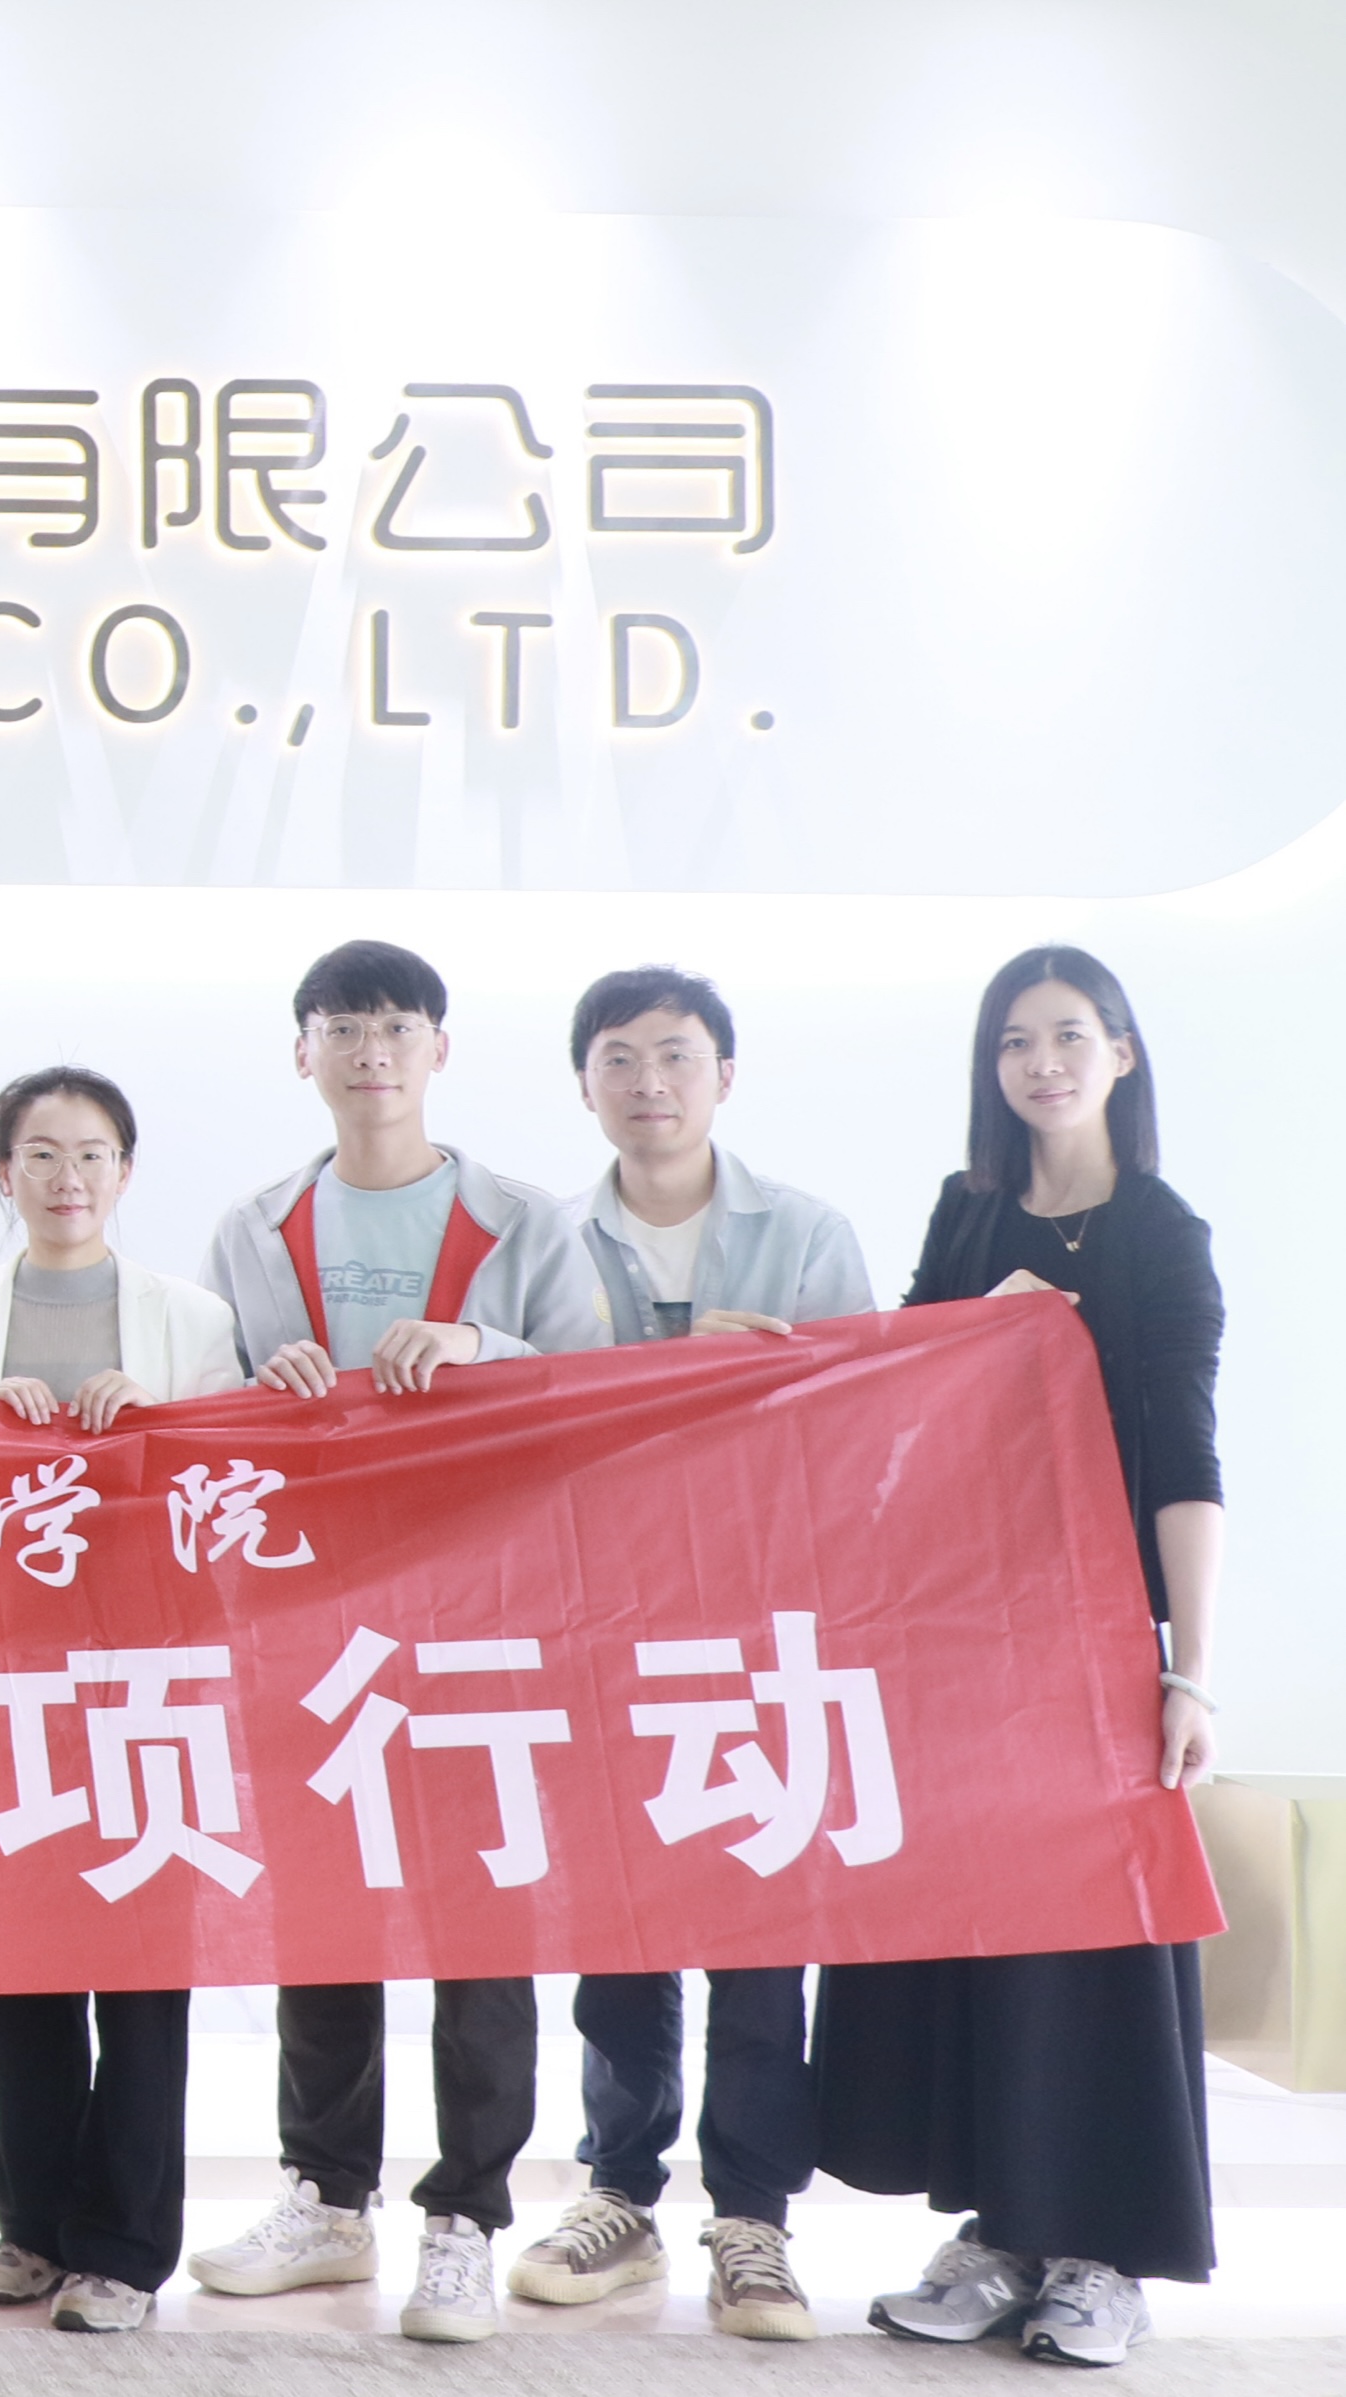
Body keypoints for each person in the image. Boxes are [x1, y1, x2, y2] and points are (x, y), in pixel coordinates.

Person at [186, 938, 607, 2345]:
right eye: (343, 1026)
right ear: (302, 1051)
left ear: (438, 1048)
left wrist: (481, 1350)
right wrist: (262, 1386)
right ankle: (325, 2195)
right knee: (325, 1908)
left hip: (483, 1621)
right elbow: (204, 1414)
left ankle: (466, 2217)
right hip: (314, 1616)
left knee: (480, 1921)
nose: (370, 1050)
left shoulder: (523, 1223)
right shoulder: (252, 1229)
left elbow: (598, 1399)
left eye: (395, 1026)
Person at [819, 949, 1221, 2369]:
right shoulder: (968, 1206)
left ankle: (1103, 2256)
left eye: (1068, 1035)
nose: (1040, 1063)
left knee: (1100, 1944)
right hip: (960, 1623)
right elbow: (903, 1390)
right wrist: (800, 1360)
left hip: (1098, 1631)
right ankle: (1002, 2230)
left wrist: (1188, 1668)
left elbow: (1186, 1457)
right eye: (1013, 1041)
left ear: (1121, 1052)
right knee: (983, 1937)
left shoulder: (1159, 1231)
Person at [516, 967, 871, 2342]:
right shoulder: (545, 1241)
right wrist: (663, 1368)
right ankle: (616, 2189)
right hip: (603, 1620)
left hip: (763, 1623)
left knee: (761, 1922)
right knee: (620, 1924)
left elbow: (852, 1421)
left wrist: (731, 1380)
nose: (648, 1082)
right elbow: (520, 1420)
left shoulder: (806, 1232)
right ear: (584, 1084)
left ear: (724, 1075)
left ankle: (752, 2217)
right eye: (619, 1058)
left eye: (674, 1055)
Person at [0, 1066, 242, 2336]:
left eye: (92, 1154)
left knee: (144, 1972)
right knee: (27, 1964)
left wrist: (154, 1427)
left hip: (149, 1678)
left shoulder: (190, 1322)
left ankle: (127, 2247)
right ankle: (34, 2227)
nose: (67, 1178)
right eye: (41, 1155)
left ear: (127, 1172)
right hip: (3, 1674)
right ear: (5, 1173)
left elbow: (231, 1496)